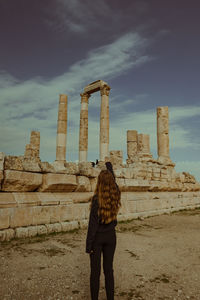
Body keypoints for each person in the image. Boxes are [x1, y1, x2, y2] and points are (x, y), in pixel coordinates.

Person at [86, 169, 121, 300]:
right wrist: (111, 170)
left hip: (97, 238)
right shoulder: (115, 196)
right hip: (111, 237)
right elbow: (116, 186)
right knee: (109, 270)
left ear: (99, 182)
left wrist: (88, 246)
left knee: (95, 273)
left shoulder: (96, 200)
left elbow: (92, 225)